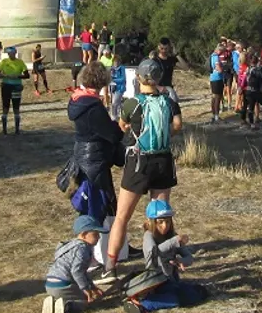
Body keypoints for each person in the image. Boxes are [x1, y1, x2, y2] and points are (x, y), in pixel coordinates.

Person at [102, 58, 183, 280]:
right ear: (159, 78)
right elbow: (177, 125)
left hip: (138, 162)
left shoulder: (132, 103)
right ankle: (165, 263)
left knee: (122, 217)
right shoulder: (169, 101)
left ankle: (110, 266)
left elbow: (122, 125)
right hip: (163, 161)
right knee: (161, 216)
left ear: (138, 78)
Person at [68, 63, 124, 268]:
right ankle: (91, 254)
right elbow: (111, 134)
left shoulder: (78, 100)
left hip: (83, 155)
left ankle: (116, 246)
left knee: (100, 203)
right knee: (97, 206)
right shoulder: (93, 106)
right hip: (94, 159)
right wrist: (120, 127)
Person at [122, 200, 207, 313]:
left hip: (172, 280)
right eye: (160, 222)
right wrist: (174, 241)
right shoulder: (149, 236)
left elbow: (189, 258)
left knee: (199, 292)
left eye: (167, 221)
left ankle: (150, 301)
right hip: (157, 282)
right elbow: (154, 252)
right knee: (178, 300)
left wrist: (180, 261)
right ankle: (142, 304)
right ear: (151, 222)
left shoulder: (172, 236)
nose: (165, 226)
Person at [42, 215, 107, 313]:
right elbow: (77, 271)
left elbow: (83, 272)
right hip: (63, 285)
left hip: (50, 284)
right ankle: (68, 307)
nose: (99, 237)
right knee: (84, 301)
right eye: (95, 234)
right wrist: (86, 289)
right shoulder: (82, 249)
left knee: (71, 295)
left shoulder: (69, 246)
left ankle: (54, 302)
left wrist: (93, 287)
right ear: (84, 235)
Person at [0, 46, 30, 135]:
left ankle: (17, 130)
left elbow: (27, 75)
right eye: (9, 53)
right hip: (6, 86)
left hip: (16, 86)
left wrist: (18, 76)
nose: (10, 55)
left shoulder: (20, 62)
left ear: (15, 53)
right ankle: (4, 130)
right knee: (5, 107)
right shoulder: (4, 62)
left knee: (16, 107)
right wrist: (5, 76)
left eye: (12, 53)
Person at [240, 53, 262, 130]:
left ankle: (252, 124)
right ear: (257, 61)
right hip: (257, 91)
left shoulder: (248, 69)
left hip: (248, 90)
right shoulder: (259, 70)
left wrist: (241, 87)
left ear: (250, 61)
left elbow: (244, 80)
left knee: (251, 107)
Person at [153, 38, 181, 102]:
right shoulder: (154, 61)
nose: (163, 51)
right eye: (162, 48)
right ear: (158, 47)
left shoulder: (171, 60)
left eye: (166, 49)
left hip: (169, 90)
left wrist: (177, 54)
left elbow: (185, 67)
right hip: (158, 90)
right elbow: (147, 77)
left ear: (169, 48)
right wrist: (157, 87)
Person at [208, 42, 225, 123]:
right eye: (222, 52)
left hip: (212, 78)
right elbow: (219, 69)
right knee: (217, 98)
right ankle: (217, 116)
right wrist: (223, 68)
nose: (222, 53)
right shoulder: (216, 57)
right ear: (219, 50)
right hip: (217, 78)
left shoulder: (212, 55)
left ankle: (214, 115)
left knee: (214, 97)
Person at [109, 55, 127, 121]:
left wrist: (114, 80)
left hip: (120, 88)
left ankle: (113, 117)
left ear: (119, 62)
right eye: (114, 62)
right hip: (113, 88)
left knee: (114, 103)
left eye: (117, 62)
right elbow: (110, 77)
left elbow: (123, 79)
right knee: (118, 103)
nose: (115, 63)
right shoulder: (112, 68)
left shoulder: (122, 68)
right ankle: (122, 116)